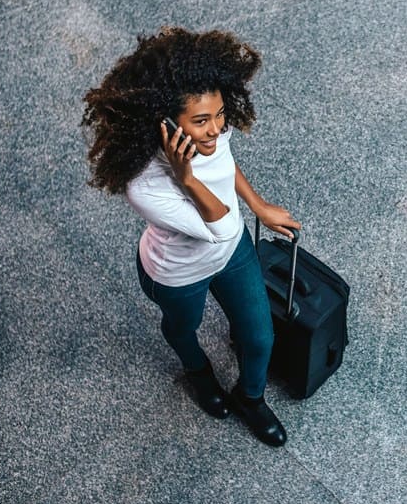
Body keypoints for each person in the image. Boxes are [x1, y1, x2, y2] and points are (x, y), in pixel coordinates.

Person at [81, 27, 299, 447]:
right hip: (179, 273)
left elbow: (225, 165)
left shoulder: (215, 129)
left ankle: (250, 397)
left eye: (219, 115)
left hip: (230, 253)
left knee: (260, 336)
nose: (216, 129)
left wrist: (257, 203)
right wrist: (187, 177)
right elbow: (220, 227)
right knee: (184, 329)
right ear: (165, 124)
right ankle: (198, 373)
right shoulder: (144, 185)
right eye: (200, 121)